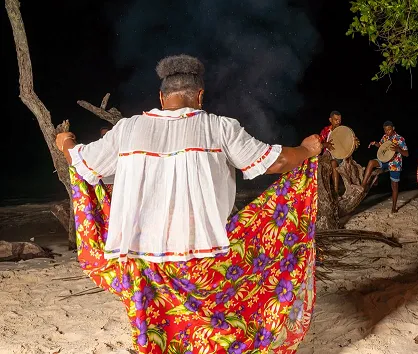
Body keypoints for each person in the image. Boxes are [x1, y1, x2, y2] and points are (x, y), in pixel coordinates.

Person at [55, 54, 322, 353]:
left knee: (160, 326)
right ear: (200, 96)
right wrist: (307, 149)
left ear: (161, 96)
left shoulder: (128, 129)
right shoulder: (220, 127)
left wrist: (65, 141)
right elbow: (279, 162)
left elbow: (83, 164)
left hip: (144, 257)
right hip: (205, 255)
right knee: (221, 320)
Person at [362, 121, 408, 213]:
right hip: (385, 160)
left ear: (393, 128)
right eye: (385, 130)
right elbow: (381, 146)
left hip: (395, 163)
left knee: (394, 186)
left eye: (389, 129)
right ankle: (363, 185)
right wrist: (375, 143)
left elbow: (406, 154)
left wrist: (398, 149)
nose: (387, 132)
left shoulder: (400, 139)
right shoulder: (385, 137)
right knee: (371, 162)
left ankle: (394, 208)